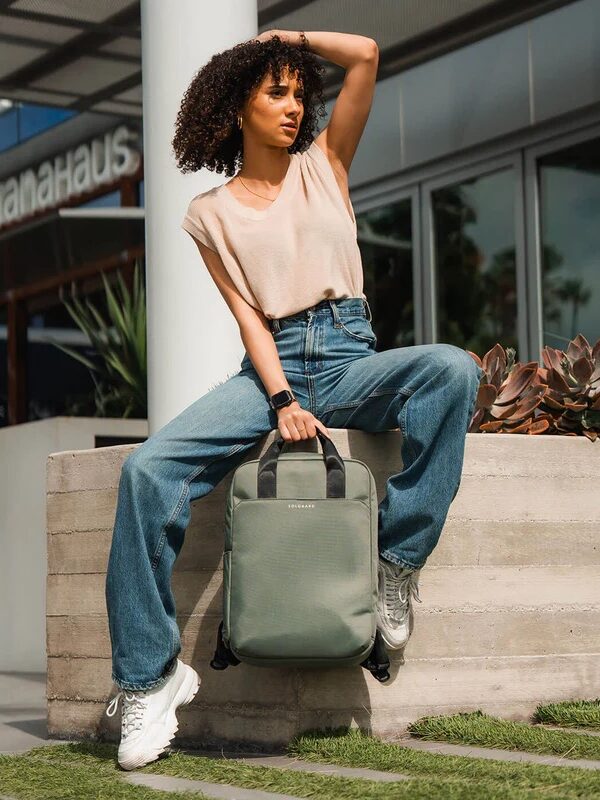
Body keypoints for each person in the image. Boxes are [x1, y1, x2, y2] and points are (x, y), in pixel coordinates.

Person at [104, 29, 483, 771]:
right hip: (269, 368)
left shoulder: (325, 165)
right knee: (145, 472)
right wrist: (280, 398)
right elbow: (248, 317)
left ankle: (396, 562)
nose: (294, 106)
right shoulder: (209, 214)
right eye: (275, 91)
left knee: (451, 370)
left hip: (349, 356)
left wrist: (288, 40)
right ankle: (149, 680)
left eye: (299, 93)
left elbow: (366, 54)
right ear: (235, 105)